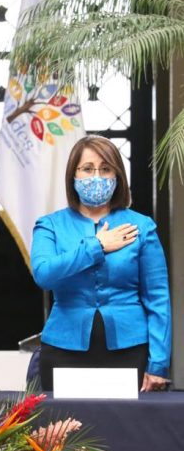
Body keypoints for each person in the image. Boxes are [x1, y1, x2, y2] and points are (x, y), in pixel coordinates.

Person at [31, 135, 171, 392]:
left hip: (130, 349)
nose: (97, 176)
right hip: (63, 348)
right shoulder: (50, 225)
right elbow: (43, 275)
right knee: (63, 421)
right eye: (87, 169)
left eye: (106, 169)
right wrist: (97, 245)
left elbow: (158, 298)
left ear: (117, 176)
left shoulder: (141, 226)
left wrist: (159, 363)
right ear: (73, 175)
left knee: (130, 420)